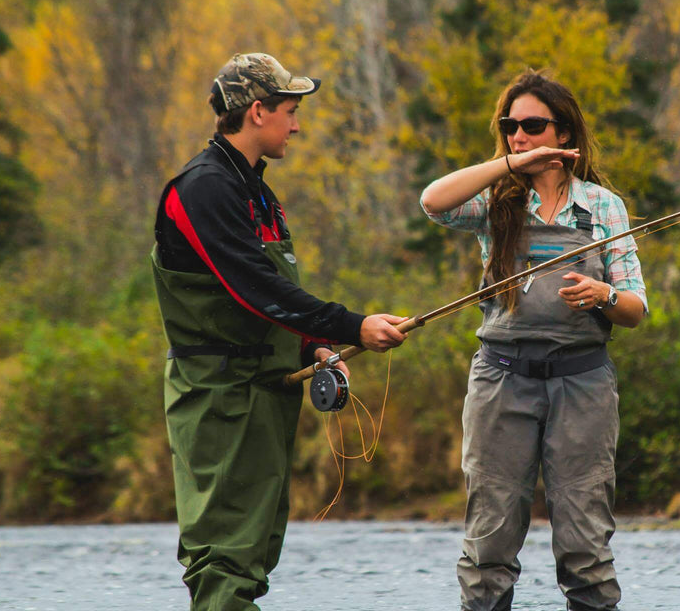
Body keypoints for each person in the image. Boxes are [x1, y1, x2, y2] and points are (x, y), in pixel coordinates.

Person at [151, 52, 407, 611]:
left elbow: (266, 302)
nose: (297, 124)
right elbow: (253, 287)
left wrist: (315, 345)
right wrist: (353, 327)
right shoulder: (203, 188)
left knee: (255, 549)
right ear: (258, 111)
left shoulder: (256, 191)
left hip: (262, 392)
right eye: (290, 111)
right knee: (226, 556)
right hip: (219, 398)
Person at [421, 71, 648, 611]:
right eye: (509, 127)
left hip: (584, 385)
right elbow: (433, 202)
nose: (518, 135)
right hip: (501, 382)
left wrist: (604, 295)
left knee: (586, 550)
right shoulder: (493, 202)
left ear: (563, 133)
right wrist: (508, 166)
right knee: (488, 549)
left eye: (531, 126)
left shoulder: (604, 208)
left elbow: (638, 307)